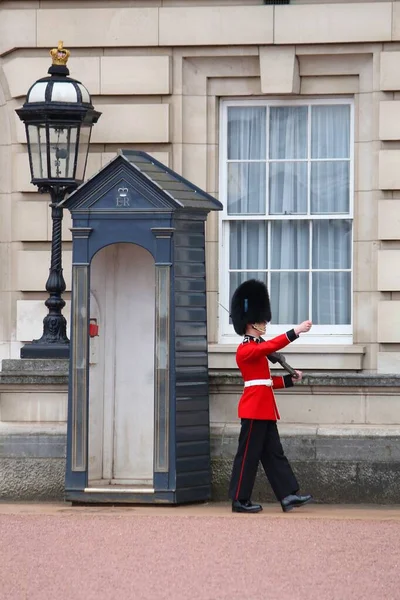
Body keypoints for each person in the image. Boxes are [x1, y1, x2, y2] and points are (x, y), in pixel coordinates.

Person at [228, 279, 313, 514]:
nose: (265, 323)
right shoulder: (246, 349)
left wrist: (289, 379)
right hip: (254, 409)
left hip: (264, 408)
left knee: (274, 453)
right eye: (262, 319)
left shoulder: (257, 348)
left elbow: (265, 383)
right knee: (248, 456)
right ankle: (239, 499)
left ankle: (287, 496)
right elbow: (268, 348)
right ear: (251, 322)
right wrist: (295, 332)